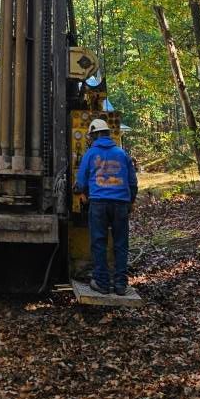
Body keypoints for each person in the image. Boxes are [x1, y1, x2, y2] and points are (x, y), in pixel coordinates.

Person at [74, 118, 138, 295]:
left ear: (93, 135)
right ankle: (120, 284)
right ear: (109, 134)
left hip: (99, 204)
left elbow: (80, 182)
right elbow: (133, 182)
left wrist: (81, 193)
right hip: (121, 205)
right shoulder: (122, 153)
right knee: (120, 244)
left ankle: (102, 282)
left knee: (99, 242)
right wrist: (130, 201)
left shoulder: (90, 154)